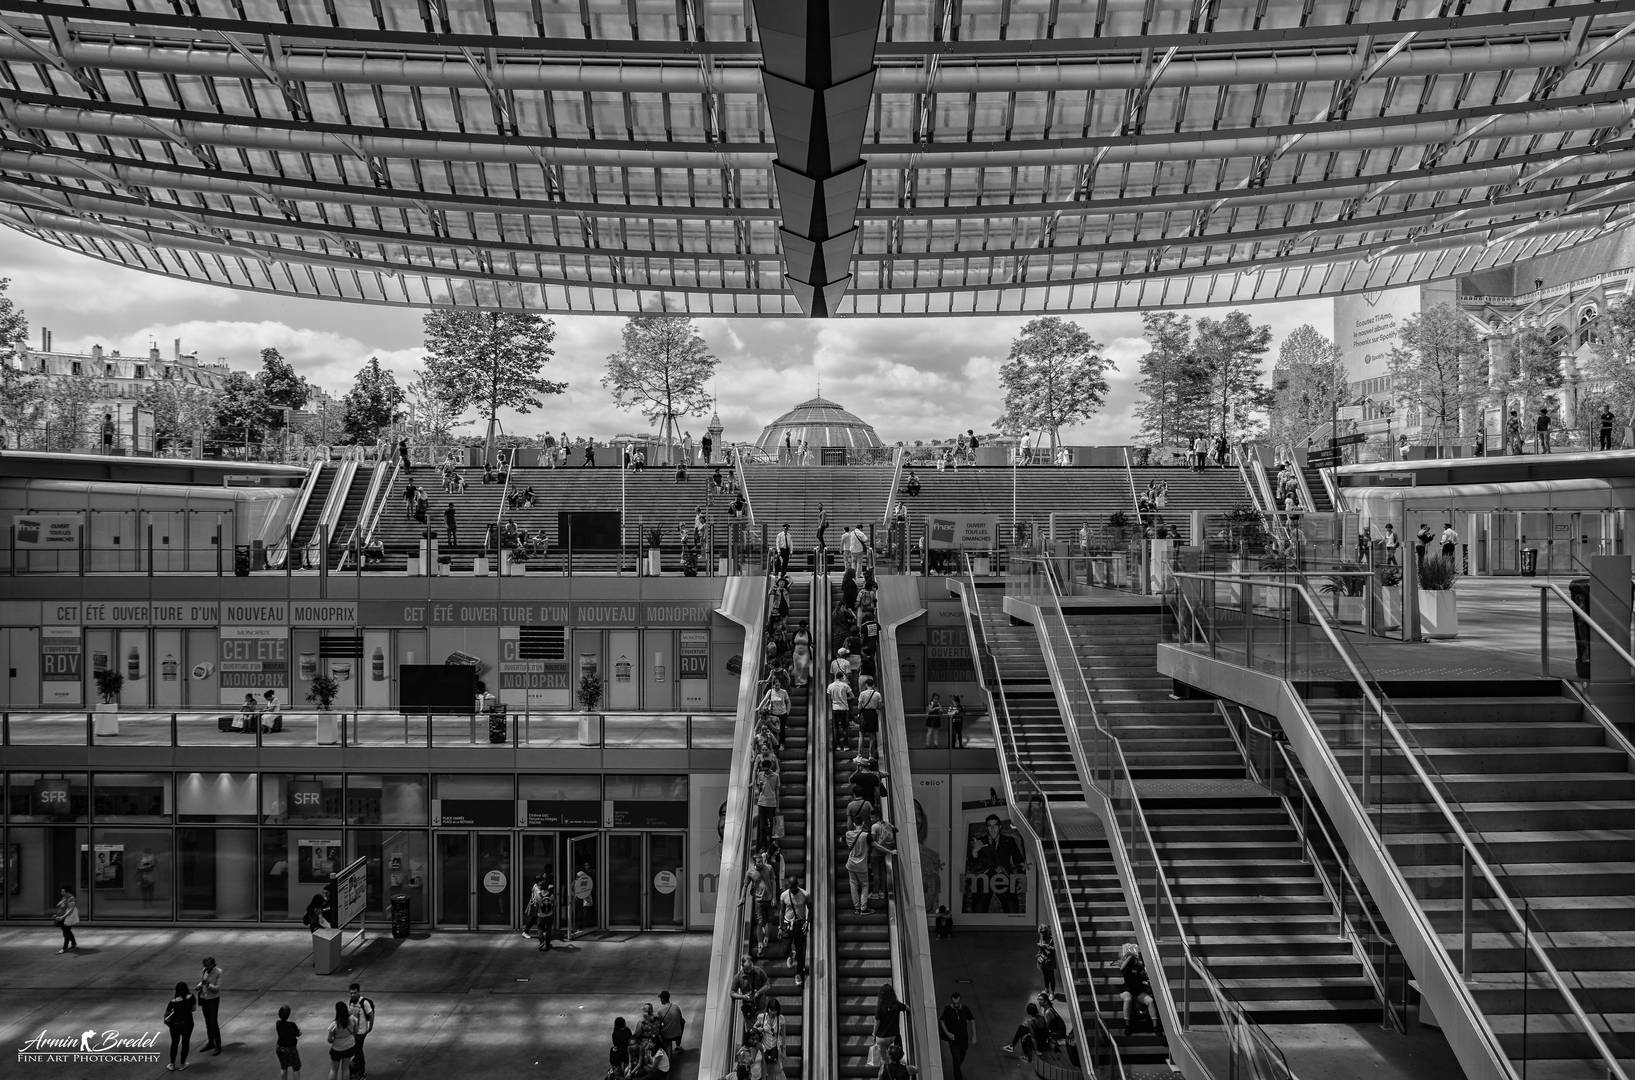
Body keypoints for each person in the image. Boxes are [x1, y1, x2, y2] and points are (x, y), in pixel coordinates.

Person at [1119, 942, 1160, 1035]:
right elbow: (1122, 968)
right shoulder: (1125, 964)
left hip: (1138, 991)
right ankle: (1127, 1026)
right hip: (1127, 990)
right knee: (1128, 999)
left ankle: (1156, 1027)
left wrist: (1138, 962)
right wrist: (1130, 956)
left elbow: (1144, 975)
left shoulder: (1138, 965)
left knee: (1150, 1001)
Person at [778, 875, 810, 985]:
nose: (792, 890)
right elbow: (782, 911)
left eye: (794, 888)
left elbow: (811, 908)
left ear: (797, 885)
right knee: (784, 949)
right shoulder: (784, 895)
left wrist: (807, 922)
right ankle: (790, 954)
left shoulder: (805, 894)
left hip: (800, 924)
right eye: (791, 888)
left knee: (800, 952)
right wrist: (780, 926)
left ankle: (798, 974)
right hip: (787, 924)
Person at [939, 991, 976, 1080]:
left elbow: (972, 1020)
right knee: (956, 1060)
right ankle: (958, 1077)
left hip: (963, 1039)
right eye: (954, 1003)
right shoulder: (948, 1009)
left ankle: (957, 1069)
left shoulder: (965, 1009)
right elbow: (942, 1021)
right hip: (953, 1040)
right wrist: (948, 1033)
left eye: (957, 1003)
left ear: (960, 1001)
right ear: (952, 1001)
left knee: (961, 1056)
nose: (956, 1005)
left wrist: (974, 1035)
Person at [871, 984, 907, 1067]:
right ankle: (896, 1067)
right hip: (893, 1036)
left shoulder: (879, 1008)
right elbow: (906, 1008)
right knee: (894, 1055)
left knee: (884, 1060)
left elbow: (877, 1023)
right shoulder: (896, 1005)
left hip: (882, 1038)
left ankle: (887, 1072)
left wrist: (874, 1034)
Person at [730, 956, 768, 1034]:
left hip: (761, 1006)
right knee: (751, 1032)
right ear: (742, 966)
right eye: (747, 969)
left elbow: (767, 985)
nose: (750, 970)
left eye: (751, 967)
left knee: (763, 1029)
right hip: (748, 1009)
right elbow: (732, 993)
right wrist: (743, 997)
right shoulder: (738, 977)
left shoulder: (759, 971)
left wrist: (758, 992)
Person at [844, 816, 874, 915]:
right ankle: (863, 908)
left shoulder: (848, 834)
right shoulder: (866, 835)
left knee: (853, 885)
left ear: (854, 824)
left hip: (851, 864)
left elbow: (842, 840)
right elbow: (875, 845)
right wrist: (890, 851)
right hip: (861, 866)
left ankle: (856, 908)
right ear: (863, 823)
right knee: (865, 885)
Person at [164, 980, 196, 1071]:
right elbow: (194, 1009)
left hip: (175, 1025)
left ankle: (172, 1064)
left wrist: (169, 1024)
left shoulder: (173, 1001)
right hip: (188, 1023)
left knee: (174, 1043)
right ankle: (182, 1064)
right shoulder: (191, 997)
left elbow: (166, 1014)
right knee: (185, 1043)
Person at [196, 956, 224, 1055]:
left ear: (213, 965)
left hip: (213, 999)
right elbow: (202, 981)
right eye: (205, 966)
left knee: (213, 1022)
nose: (206, 968)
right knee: (208, 1022)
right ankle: (211, 1042)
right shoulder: (204, 970)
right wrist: (199, 986)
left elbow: (217, 988)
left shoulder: (218, 972)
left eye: (208, 966)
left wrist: (209, 985)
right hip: (204, 998)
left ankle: (218, 1045)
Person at [325, 1001, 357, 1080]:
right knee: (346, 1069)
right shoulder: (352, 1019)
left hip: (337, 1049)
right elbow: (355, 1032)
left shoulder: (334, 1024)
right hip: (349, 1047)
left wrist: (334, 1041)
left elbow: (329, 1039)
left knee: (333, 1070)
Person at [348, 983, 375, 1078]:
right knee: (358, 1051)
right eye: (351, 993)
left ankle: (361, 1072)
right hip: (353, 1031)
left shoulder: (364, 1003)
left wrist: (370, 1027)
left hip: (361, 1032)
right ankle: (356, 1068)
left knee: (358, 1051)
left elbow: (371, 1015)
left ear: (359, 992)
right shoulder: (351, 1001)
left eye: (354, 993)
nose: (352, 995)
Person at [856, 676, 883, 762]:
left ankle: (859, 755)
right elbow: (879, 706)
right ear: (873, 685)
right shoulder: (877, 694)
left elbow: (859, 706)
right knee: (872, 736)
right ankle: (871, 756)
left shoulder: (862, 694)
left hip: (864, 714)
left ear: (866, 685)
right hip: (873, 714)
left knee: (861, 736)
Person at [275, 1004, 301, 1080]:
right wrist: (299, 1032)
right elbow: (297, 1033)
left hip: (280, 1048)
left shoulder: (278, 1023)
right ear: (288, 1015)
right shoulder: (292, 1024)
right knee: (296, 1067)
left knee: (283, 1067)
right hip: (291, 1049)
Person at [656, 989, 685, 1058]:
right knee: (683, 1022)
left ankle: (663, 1046)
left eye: (660, 998)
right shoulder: (676, 1007)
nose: (660, 1000)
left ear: (663, 999)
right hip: (677, 1034)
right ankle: (678, 1045)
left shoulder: (660, 1011)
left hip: (667, 1036)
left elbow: (658, 1025)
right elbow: (681, 1021)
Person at [53, 886, 79, 953]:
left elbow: (70, 910)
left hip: (68, 917)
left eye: (63, 891)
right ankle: (74, 943)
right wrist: (57, 914)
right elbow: (58, 905)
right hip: (62, 916)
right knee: (67, 931)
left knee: (66, 933)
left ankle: (64, 948)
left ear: (67, 892)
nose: (61, 892)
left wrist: (63, 917)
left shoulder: (72, 899)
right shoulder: (65, 898)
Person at [1035, 925, 1058, 997]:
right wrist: (1039, 953)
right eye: (1041, 932)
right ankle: (1046, 990)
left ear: (1047, 931)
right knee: (1045, 975)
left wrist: (1046, 946)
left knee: (1051, 976)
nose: (1043, 933)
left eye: (1044, 932)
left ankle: (1052, 992)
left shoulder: (1052, 938)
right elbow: (1041, 947)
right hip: (1043, 959)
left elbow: (1055, 949)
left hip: (1050, 960)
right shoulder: (1041, 937)